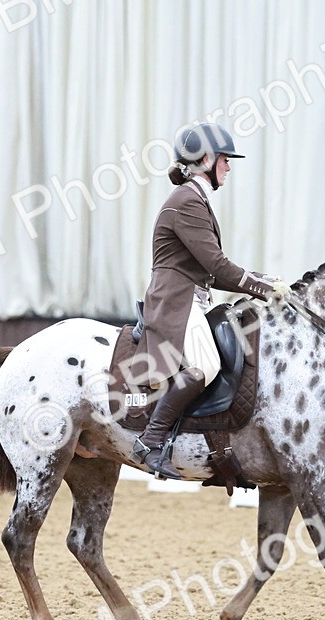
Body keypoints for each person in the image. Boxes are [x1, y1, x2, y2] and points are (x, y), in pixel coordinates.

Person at [132, 122, 289, 478]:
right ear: (205, 159)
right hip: (178, 302)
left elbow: (214, 272)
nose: (229, 167)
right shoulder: (187, 201)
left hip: (194, 297)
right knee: (206, 366)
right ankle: (151, 442)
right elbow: (218, 266)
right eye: (225, 160)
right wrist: (264, 289)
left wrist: (265, 280)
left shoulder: (194, 199)